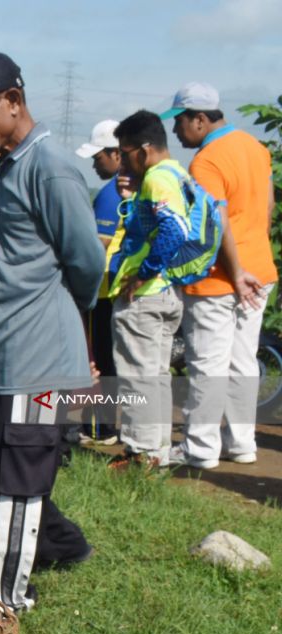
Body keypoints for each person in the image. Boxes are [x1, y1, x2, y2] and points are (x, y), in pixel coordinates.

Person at [0, 51, 103, 612]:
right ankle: (63, 547)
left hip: (34, 355)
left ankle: (5, 601)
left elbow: (85, 261)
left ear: (13, 100)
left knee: (18, 481)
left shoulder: (49, 166)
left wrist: (63, 322)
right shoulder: (5, 171)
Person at [165, 82, 275, 468]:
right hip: (259, 269)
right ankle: (242, 444)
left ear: (199, 119)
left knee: (208, 364)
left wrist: (235, 269)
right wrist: (249, 262)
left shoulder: (207, 161)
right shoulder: (256, 148)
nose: (177, 131)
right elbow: (267, 206)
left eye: (180, 121)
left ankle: (200, 449)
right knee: (244, 361)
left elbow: (217, 222)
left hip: (220, 278)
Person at [105, 110, 188, 469]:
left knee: (138, 376)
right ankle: (156, 450)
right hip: (169, 291)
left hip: (147, 292)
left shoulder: (156, 177)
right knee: (155, 375)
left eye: (125, 152)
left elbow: (174, 230)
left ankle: (140, 453)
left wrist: (143, 273)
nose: (122, 160)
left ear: (145, 149)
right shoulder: (179, 173)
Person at [75, 120, 123, 446]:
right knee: (110, 359)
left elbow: (99, 246)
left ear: (115, 152)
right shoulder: (132, 185)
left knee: (99, 359)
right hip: (118, 288)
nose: (94, 163)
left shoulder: (110, 194)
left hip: (102, 289)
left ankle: (98, 428)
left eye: (98, 156)